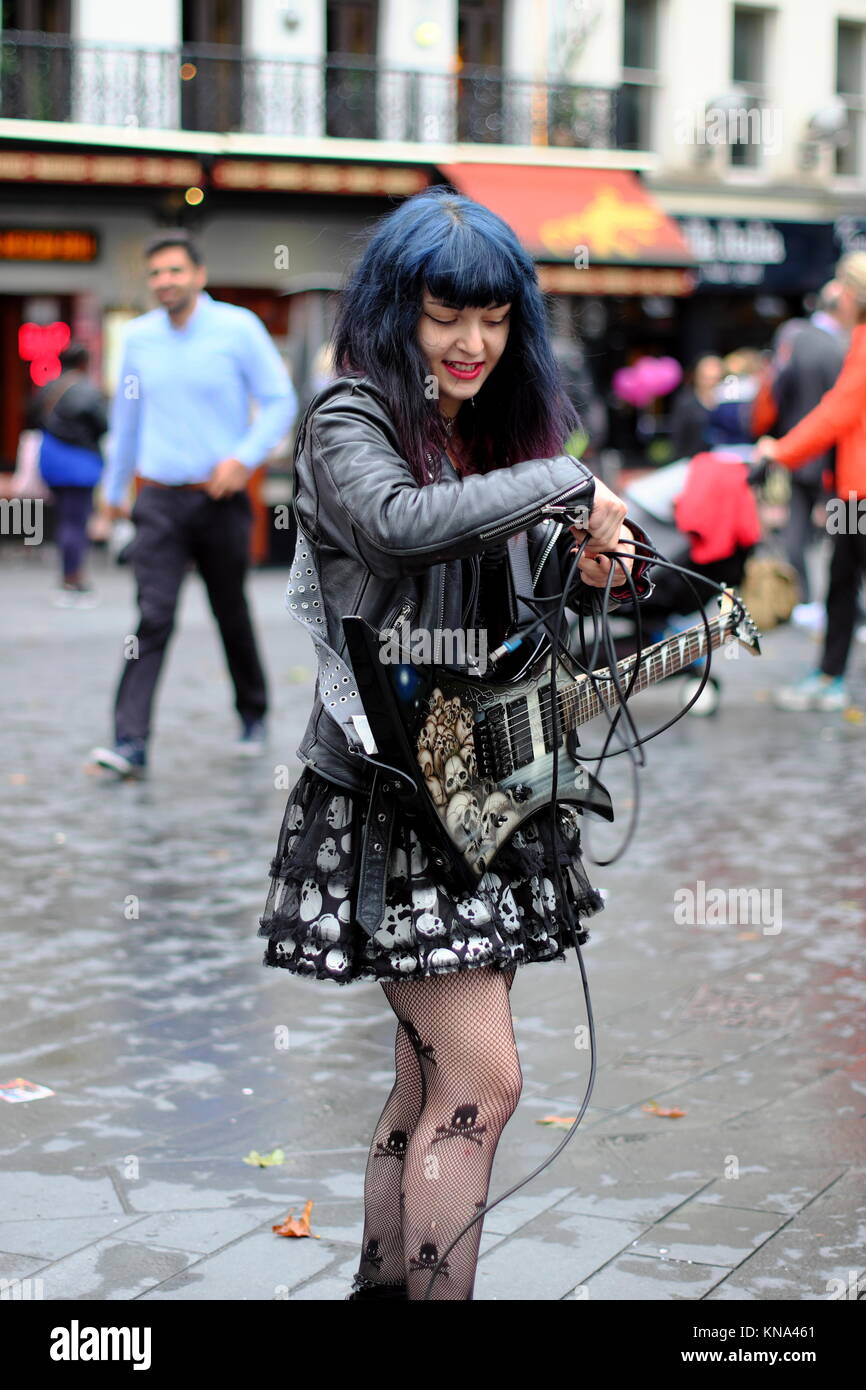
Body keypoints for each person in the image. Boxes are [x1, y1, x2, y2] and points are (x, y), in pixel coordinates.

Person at [256, 186, 654, 1301]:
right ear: (396, 313)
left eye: (491, 319)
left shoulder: (487, 431)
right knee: (481, 1079)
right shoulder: (348, 419)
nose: (472, 342)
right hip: (389, 798)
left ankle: (383, 1291)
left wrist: (581, 573)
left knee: (425, 1076)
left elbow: (502, 626)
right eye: (445, 316)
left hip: (483, 783)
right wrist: (566, 478)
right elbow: (392, 524)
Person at [90, 229, 297, 776]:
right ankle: (129, 742)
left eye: (175, 271)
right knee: (153, 615)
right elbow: (126, 422)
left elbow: (280, 402)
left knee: (230, 610)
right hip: (157, 499)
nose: (164, 282)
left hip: (220, 498)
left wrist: (244, 459)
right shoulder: (138, 338)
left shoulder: (238, 328)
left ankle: (253, 711)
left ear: (198, 275)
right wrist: (112, 495)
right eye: (156, 273)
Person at [757, 252, 866, 711]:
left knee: (843, 582)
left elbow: (836, 412)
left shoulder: (862, 341)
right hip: (849, 492)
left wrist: (779, 450)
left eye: (840, 288)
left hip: (858, 495)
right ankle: (828, 676)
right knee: (841, 580)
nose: (834, 296)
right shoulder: (853, 339)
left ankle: (828, 677)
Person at [753, 285, 847, 618]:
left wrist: (779, 446)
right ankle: (842, 610)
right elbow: (835, 412)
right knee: (845, 534)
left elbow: (780, 394)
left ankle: (807, 601)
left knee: (804, 530)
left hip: (807, 453)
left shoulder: (797, 340)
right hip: (836, 460)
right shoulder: (843, 345)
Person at [29, 343, 107, 606]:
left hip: (52, 460)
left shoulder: (48, 388)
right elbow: (103, 425)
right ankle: (72, 578)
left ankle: (69, 574)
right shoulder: (88, 390)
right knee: (76, 521)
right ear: (85, 362)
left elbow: (32, 415)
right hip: (78, 464)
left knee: (66, 519)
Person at [669, 354, 723, 458]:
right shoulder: (686, 403)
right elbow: (678, 437)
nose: (711, 383)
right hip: (692, 461)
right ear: (698, 377)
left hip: (721, 462)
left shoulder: (727, 402)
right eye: (707, 378)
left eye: (715, 379)